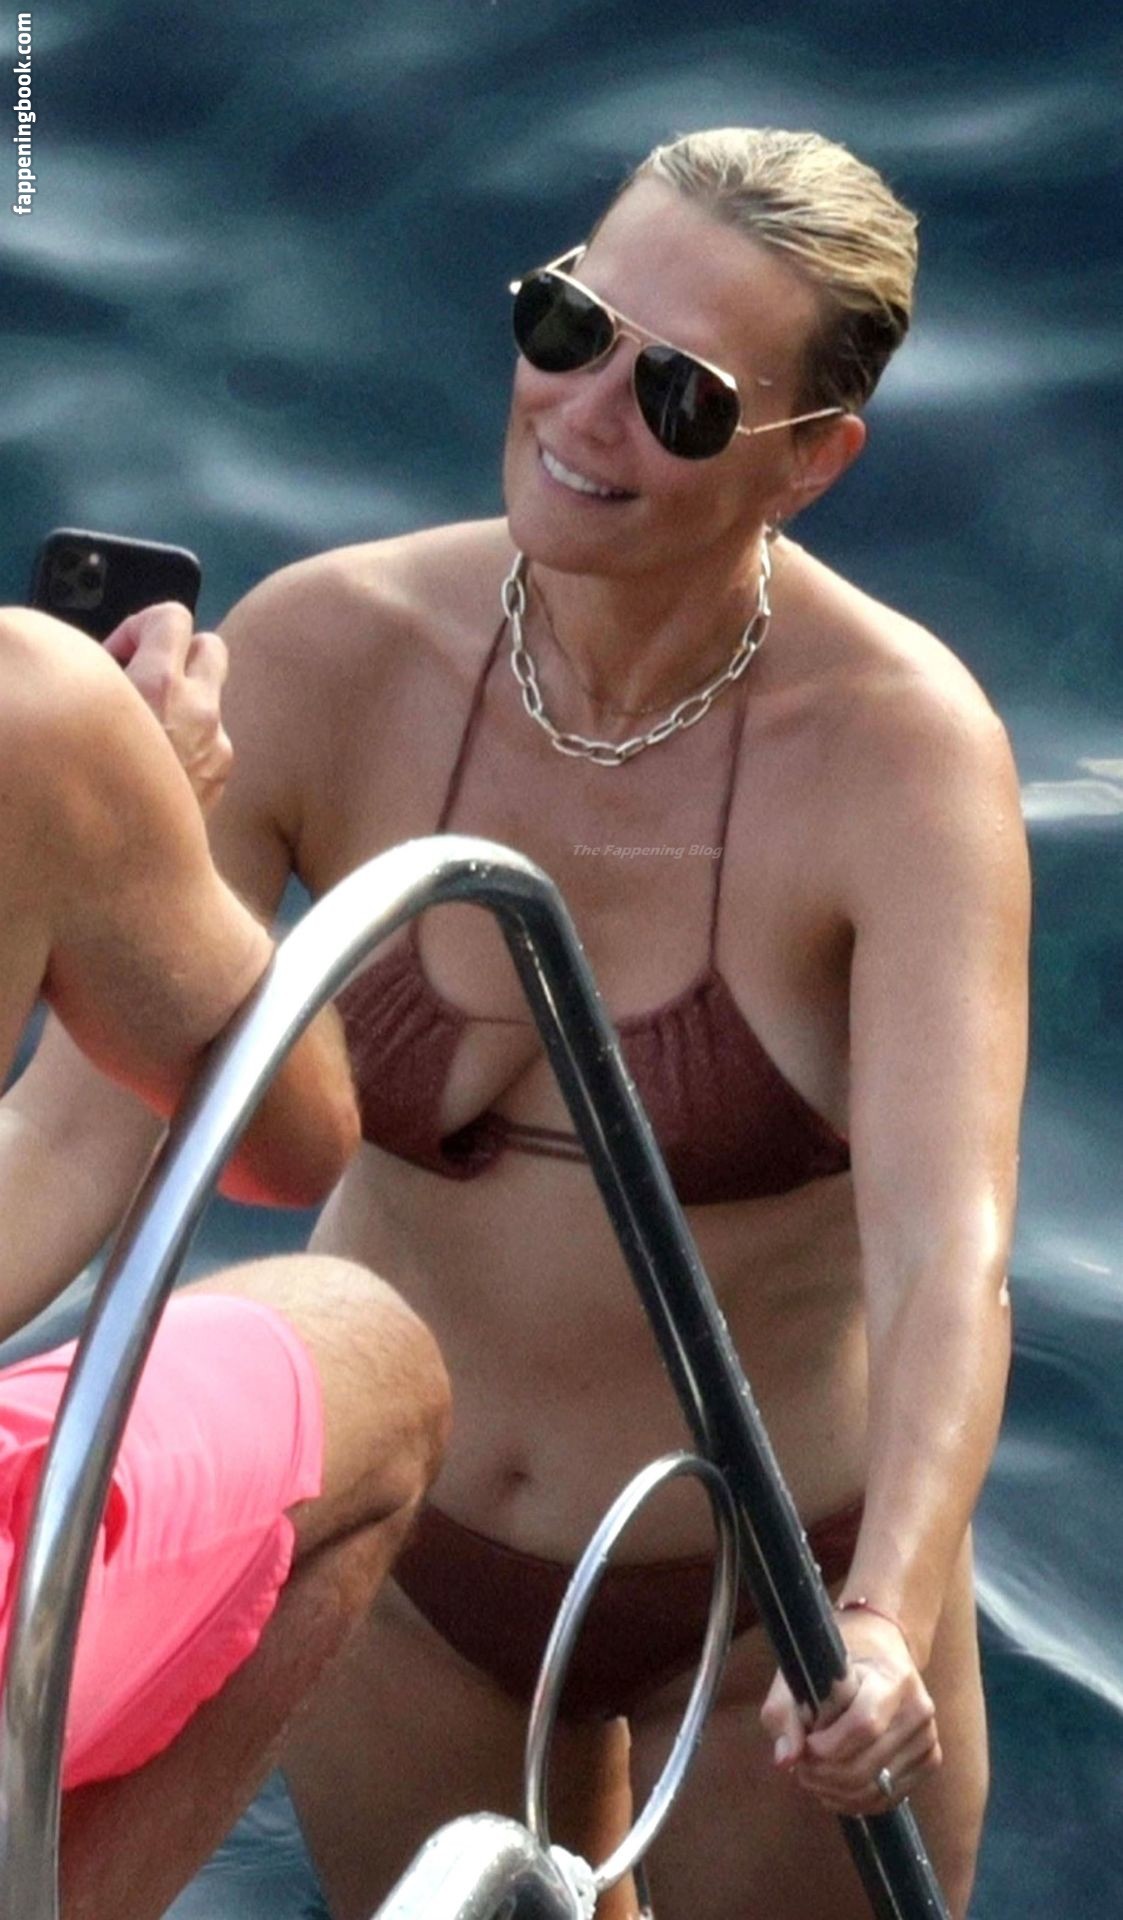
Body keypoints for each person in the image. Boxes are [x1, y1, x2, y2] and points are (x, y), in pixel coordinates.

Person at [8, 127, 1030, 1920]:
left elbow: (950, 1253)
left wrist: (881, 1615)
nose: (587, 411)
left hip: (774, 1598)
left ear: (811, 461)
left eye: (683, 398)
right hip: (406, 1569)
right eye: (568, 325)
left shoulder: (902, 757)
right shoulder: (331, 649)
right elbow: (75, 1139)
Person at [0, 605, 450, 1920]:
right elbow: (289, 1141)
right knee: (368, 1353)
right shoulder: (31, 714)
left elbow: (54, 1152)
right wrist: (139, 832)